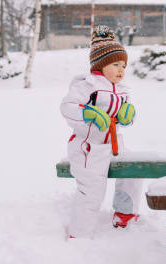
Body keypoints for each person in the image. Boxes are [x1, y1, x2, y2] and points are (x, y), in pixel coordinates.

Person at [60, 25, 142, 239]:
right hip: (88, 148)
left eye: (123, 65)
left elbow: (124, 119)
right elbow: (67, 107)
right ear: (100, 65)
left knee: (134, 170)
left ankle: (124, 214)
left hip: (114, 146)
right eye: (115, 64)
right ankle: (79, 235)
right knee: (92, 191)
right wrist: (88, 114)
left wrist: (128, 114)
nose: (121, 70)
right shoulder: (86, 85)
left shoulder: (123, 90)